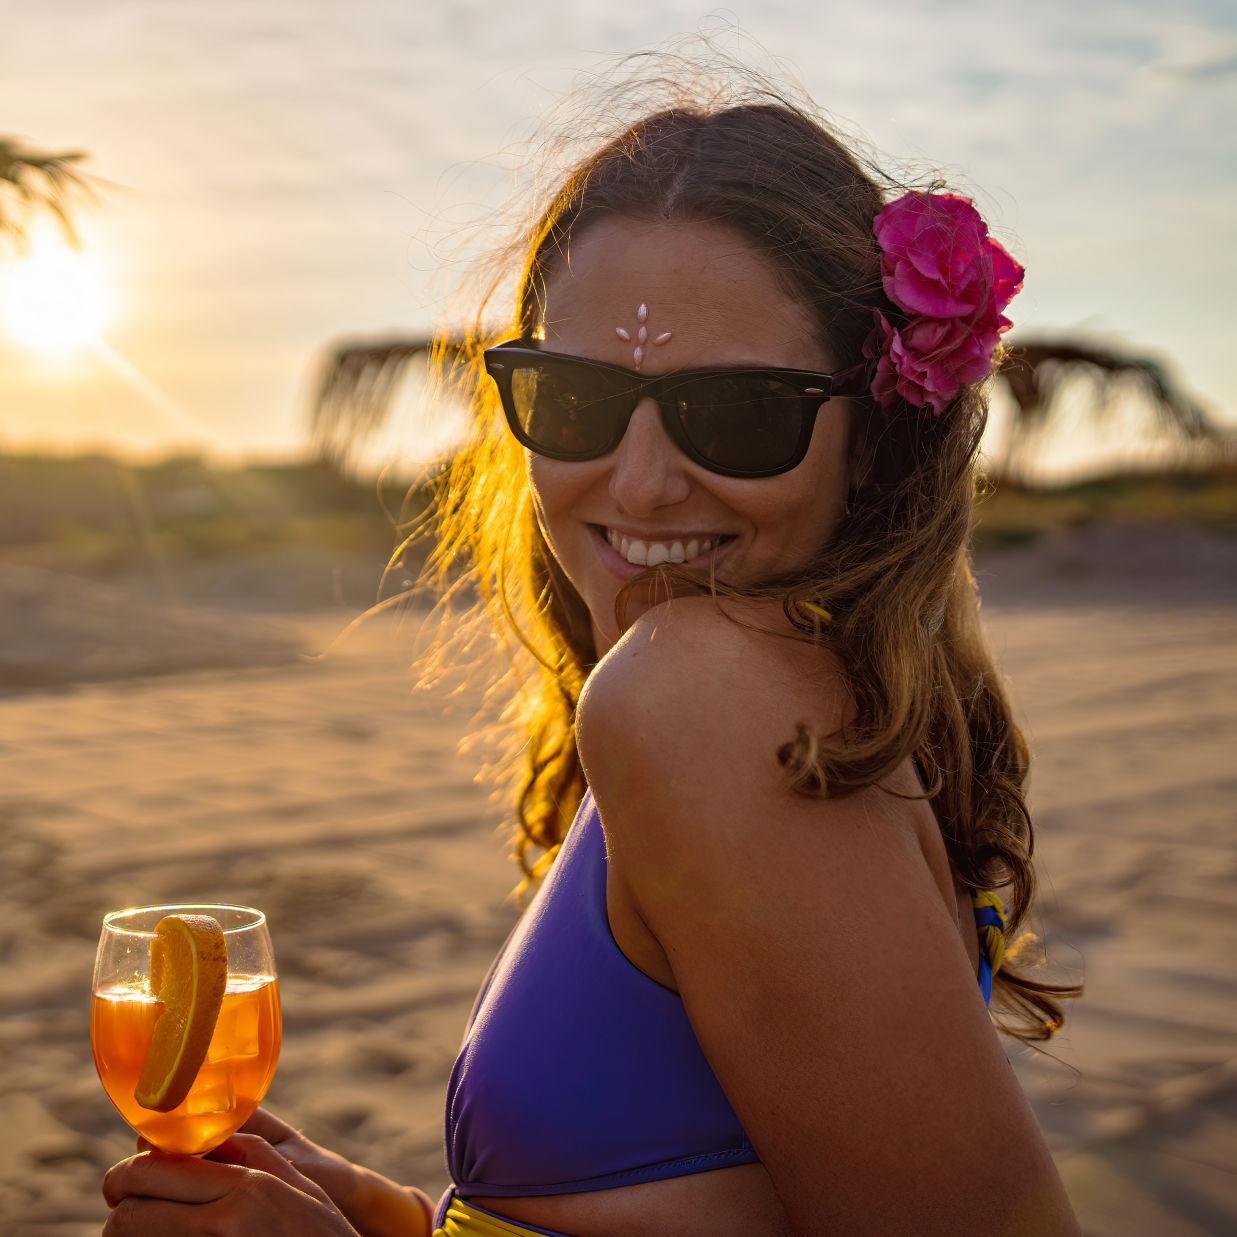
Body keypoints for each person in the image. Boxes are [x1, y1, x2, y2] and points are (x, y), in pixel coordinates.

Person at [102, 69, 1082, 1237]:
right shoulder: (824, 691)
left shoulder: (703, 694)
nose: (642, 481)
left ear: (872, 438)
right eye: (574, 401)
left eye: (736, 411)